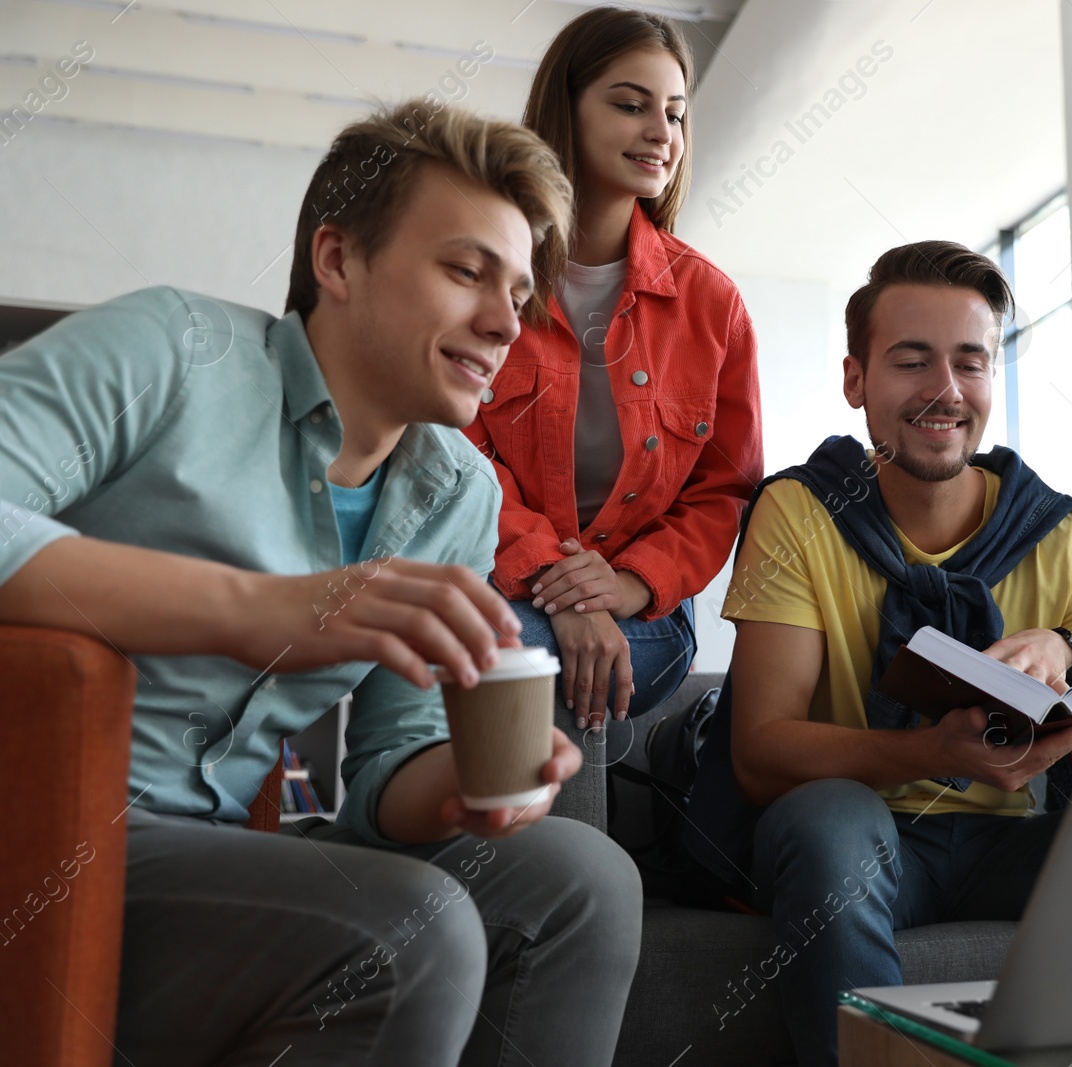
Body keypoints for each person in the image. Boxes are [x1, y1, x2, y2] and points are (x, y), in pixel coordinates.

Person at [0, 100, 642, 1066]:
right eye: (467, 271)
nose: (505, 321)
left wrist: (471, 782)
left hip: (210, 850)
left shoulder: (456, 489)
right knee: (411, 925)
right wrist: (260, 610)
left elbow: (388, 772)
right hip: (42, 838)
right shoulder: (172, 349)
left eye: (518, 292)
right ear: (337, 261)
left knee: (581, 879)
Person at [684, 241, 1072, 1066]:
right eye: (911, 362)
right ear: (856, 380)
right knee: (827, 814)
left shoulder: (1067, 535)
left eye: (969, 363)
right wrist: (929, 751)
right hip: (867, 837)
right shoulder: (800, 512)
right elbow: (762, 753)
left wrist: (1070, 652)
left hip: (1012, 842)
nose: (944, 391)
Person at [466, 7, 762, 732]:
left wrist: (628, 583)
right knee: (514, 649)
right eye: (630, 105)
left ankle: (557, 848)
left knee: (529, 663)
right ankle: (549, 847)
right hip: (502, 583)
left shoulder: (713, 303)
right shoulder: (482, 276)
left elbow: (725, 489)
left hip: (648, 609)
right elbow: (456, 450)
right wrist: (554, 582)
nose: (661, 132)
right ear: (564, 109)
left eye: (676, 113)